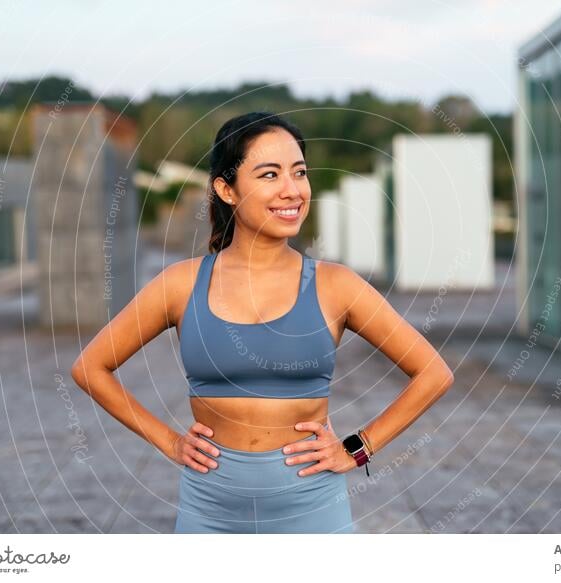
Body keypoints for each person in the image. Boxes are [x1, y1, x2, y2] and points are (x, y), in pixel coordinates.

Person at [71, 111, 454, 533]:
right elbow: (90, 367)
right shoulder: (180, 284)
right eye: (270, 175)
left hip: (311, 508)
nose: (292, 191)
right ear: (226, 189)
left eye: (300, 173)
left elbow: (433, 373)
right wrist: (169, 441)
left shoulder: (336, 285)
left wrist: (358, 447)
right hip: (209, 509)